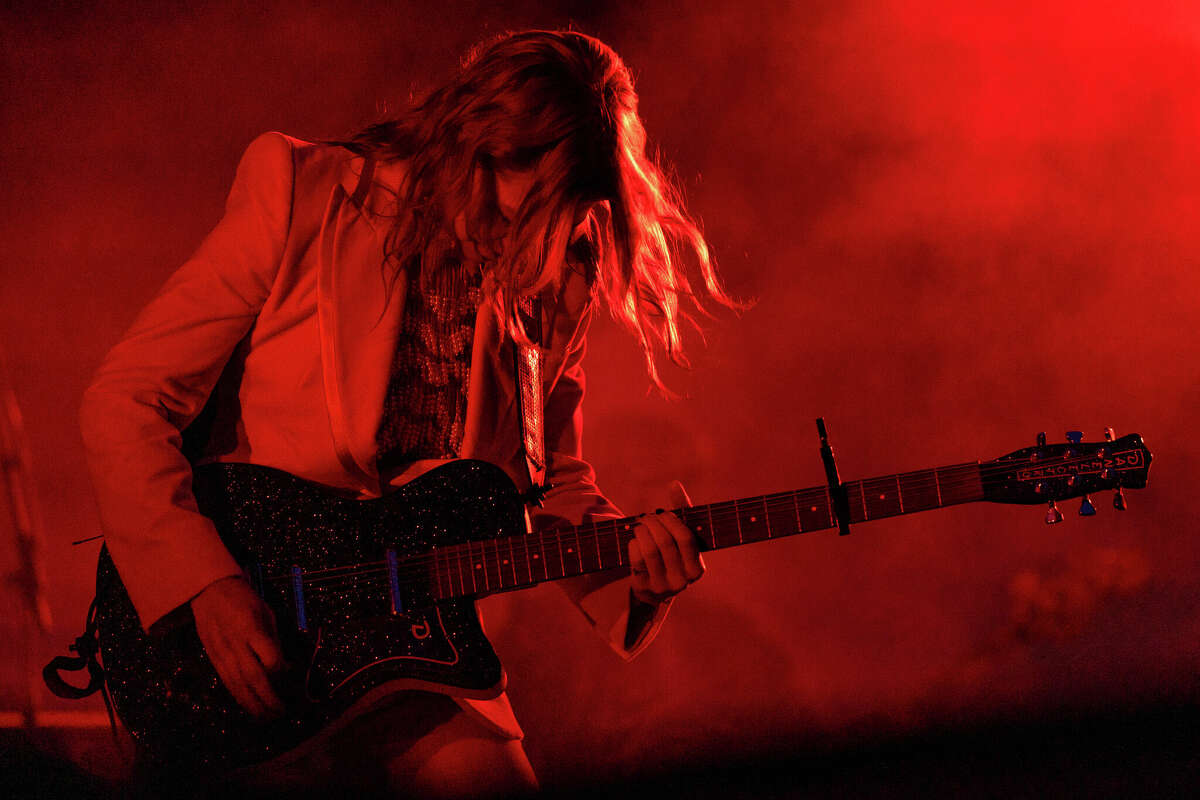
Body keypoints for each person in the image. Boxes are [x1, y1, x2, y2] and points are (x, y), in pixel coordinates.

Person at [78, 29, 735, 797]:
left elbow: (549, 479)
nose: (529, 241)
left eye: (557, 220)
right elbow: (127, 398)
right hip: (257, 620)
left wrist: (640, 578)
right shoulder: (305, 190)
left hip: (422, 648)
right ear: (475, 143)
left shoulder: (560, 273)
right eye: (520, 209)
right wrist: (204, 585)